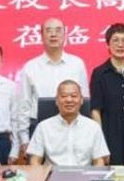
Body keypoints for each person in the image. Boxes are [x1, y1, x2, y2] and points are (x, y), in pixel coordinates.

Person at [15, 18, 89, 158]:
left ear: (65, 34)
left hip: (71, 126)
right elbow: (24, 105)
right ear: (41, 35)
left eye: (58, 30)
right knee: (37, 170)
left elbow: (84, 100)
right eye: (48, 30)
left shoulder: (77, 64)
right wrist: (24, 139)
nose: (53, 34)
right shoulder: (31, 67)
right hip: (38, 127)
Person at [89, 23, 124, 166]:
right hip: (109, 134)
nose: (120, 45)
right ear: (108, 44)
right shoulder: (100, 73)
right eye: (115, 40)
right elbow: (95, 110)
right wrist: (100, 141)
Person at [28, 80, 109, 166]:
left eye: (74, 96)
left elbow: (99, 161)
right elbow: (34, 160)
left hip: (83, 173)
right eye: (64, 96)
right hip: (52, 173)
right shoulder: (43, 127)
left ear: (81, 100)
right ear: (56, 100)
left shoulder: (93, 127)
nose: (69, 100)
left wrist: (95, 174)